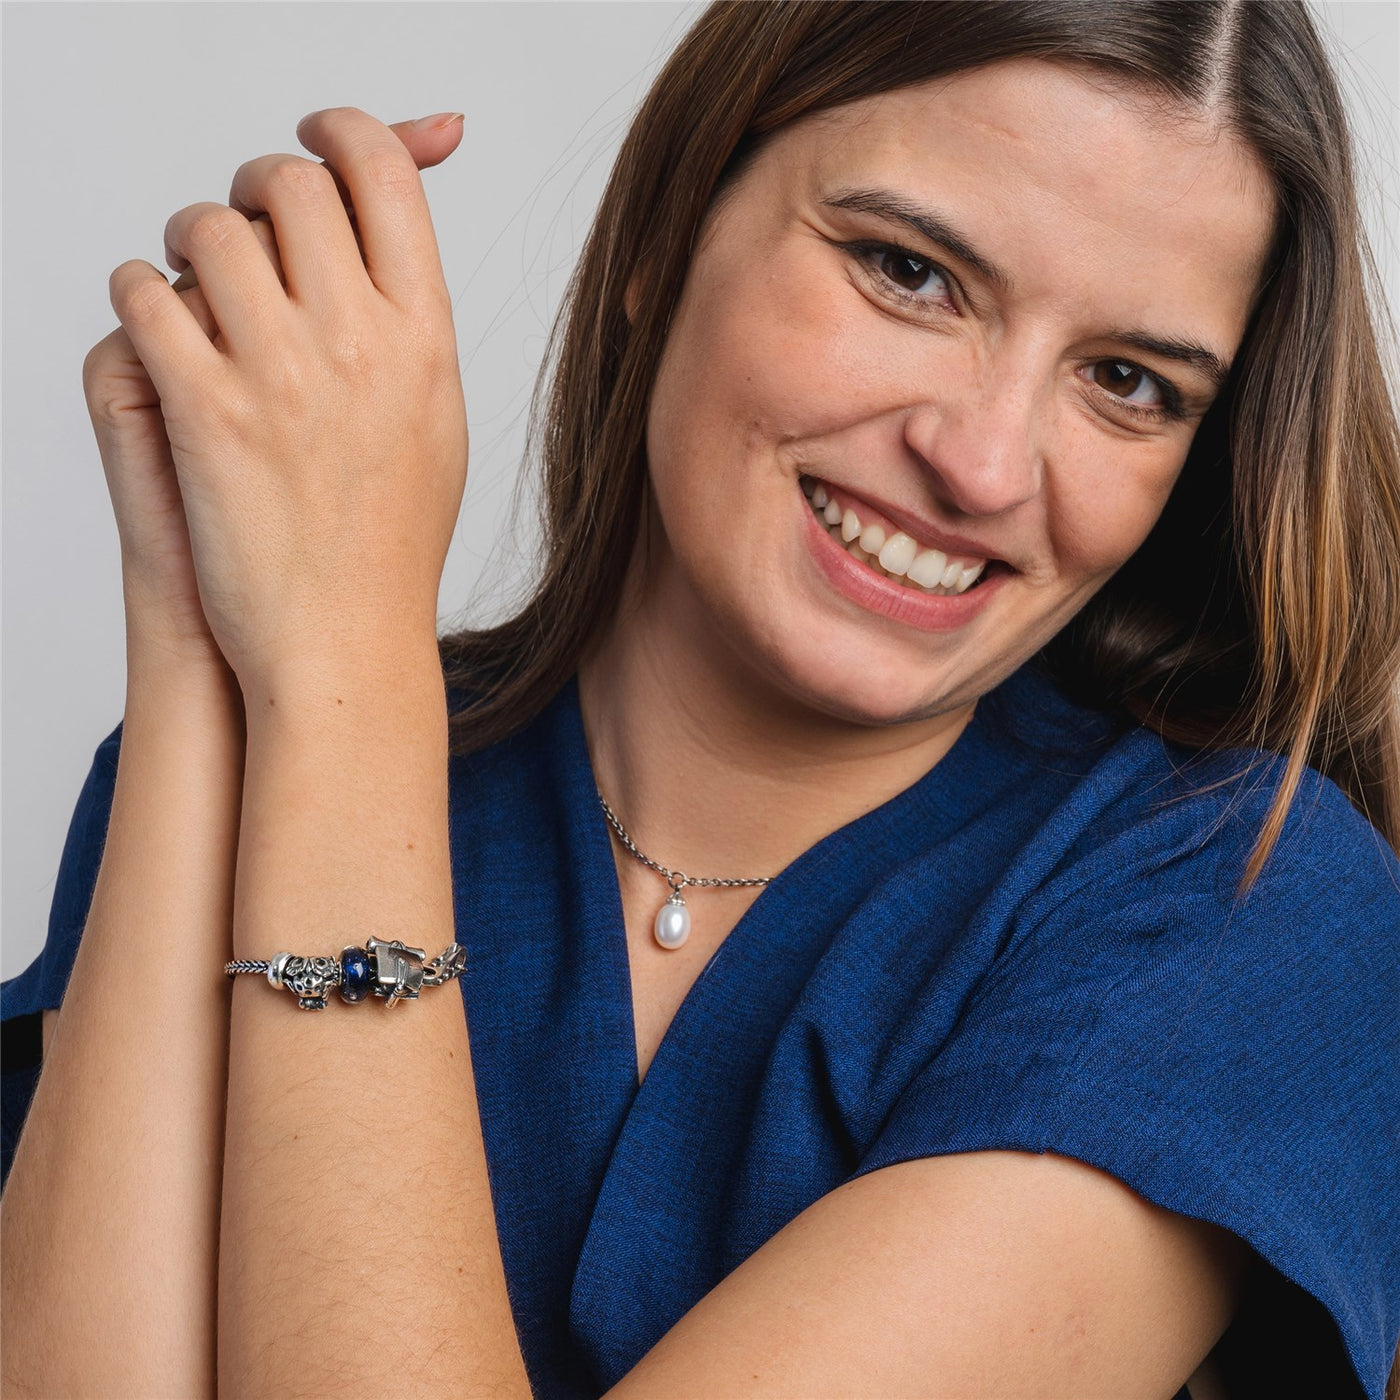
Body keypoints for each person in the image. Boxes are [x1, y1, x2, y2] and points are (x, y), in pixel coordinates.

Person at [2, 1, 1397, 1396]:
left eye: (1126, 382)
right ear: (666, 235)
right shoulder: (262, 753)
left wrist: (343, 650)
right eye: (909, 272)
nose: (981, 464)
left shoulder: (1252, 912)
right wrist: (199, 631)